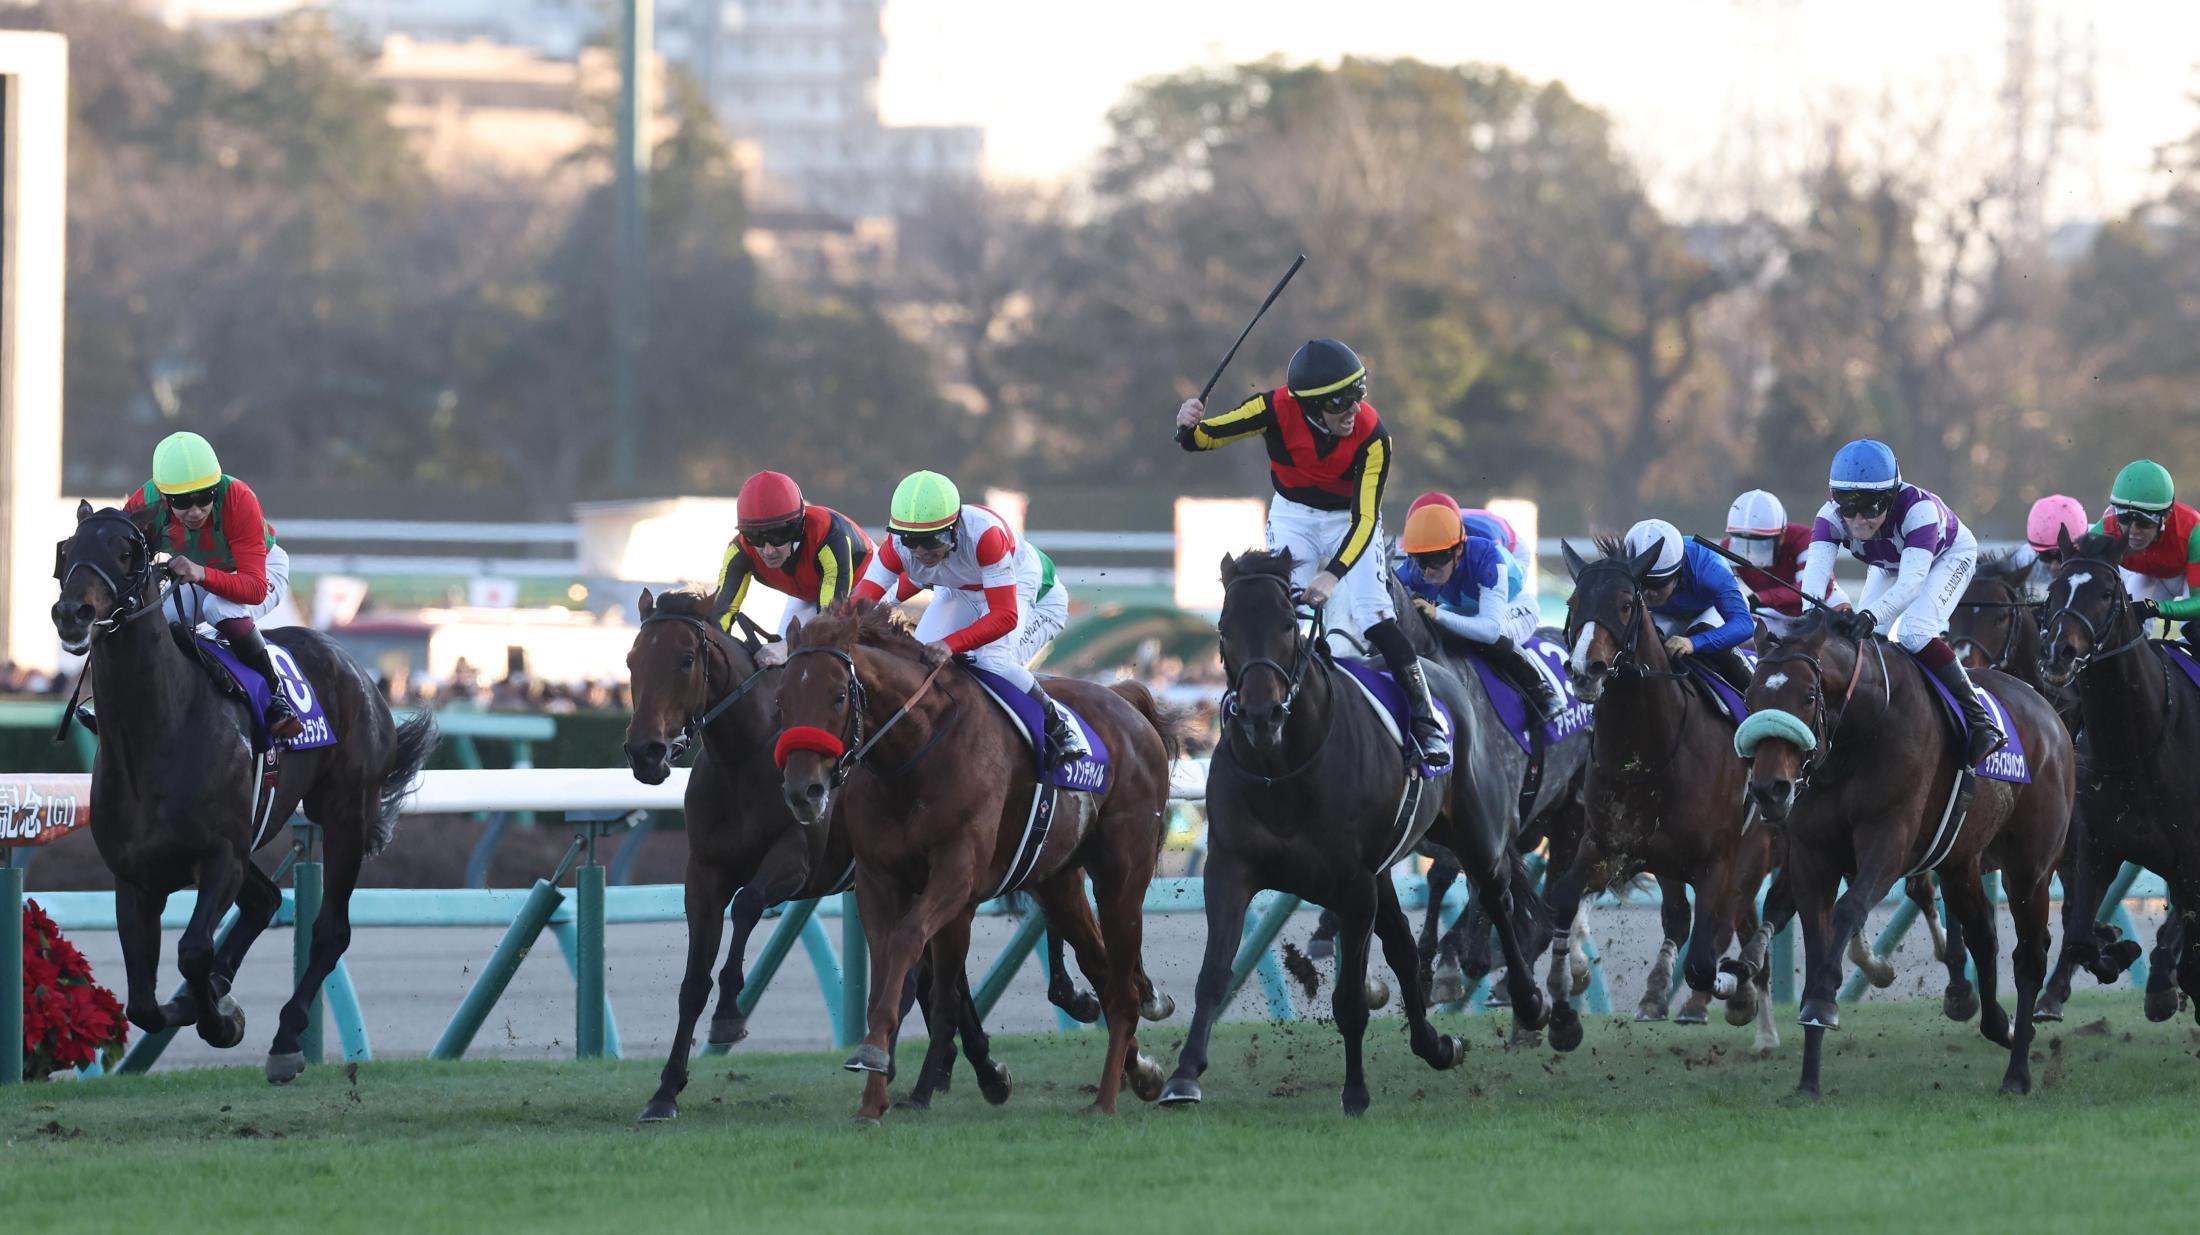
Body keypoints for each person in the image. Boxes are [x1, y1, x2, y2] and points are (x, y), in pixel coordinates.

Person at [1176, 339, 1446, 766]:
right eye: (1340, 403)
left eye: (1357, 396)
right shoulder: (1271, 409)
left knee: (1375, 615)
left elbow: (1363, 520)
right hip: (1293, 516)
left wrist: (1332, 575)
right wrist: (1189, 423)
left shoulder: (1374, 437)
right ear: (1309, 407)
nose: (1353, 410)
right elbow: (1203, 440)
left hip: (1349, 521)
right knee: (1282, 613)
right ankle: (1255, 709)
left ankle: (1427, 723)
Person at [851, 470, 1089, 770]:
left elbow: (1004, 616)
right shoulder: (899, 546)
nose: (922, 552)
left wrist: (951, 644)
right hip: (964, 592)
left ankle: (1057, 726)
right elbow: (860, 605)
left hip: (1031, 595)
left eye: (931, 540)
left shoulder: (984, 535)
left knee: (991, 662)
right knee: (918, 662)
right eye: (912, 541)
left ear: (954, 527)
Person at [1797, 438, 2003, 767]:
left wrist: (1868, 614)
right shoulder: (1829, 517)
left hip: (1945, 558)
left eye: (1870, 507)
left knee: (1915, 633)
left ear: (1890, 498)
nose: (1859, 520)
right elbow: (1815, 577)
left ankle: (1981, 722)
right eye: (1848, 507)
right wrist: (1808, 618)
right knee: (1861, 639)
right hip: (1890, 564)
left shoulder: (1918, 511)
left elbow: (1912, 584)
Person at [107, 431, 302, 739]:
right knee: (153, 617)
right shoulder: (146, 503)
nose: (195, 511)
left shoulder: (239, 498)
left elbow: (253, 589)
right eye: (183, 502)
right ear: (164, 495)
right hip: (200, 572)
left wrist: (201, 573)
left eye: (205, 497)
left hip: (259, 570)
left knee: (217, 608)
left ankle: (277, 699)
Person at [1395, 505, 1564, 720]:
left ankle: (1540, 691)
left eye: (1437, 560)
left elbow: (1490, 630)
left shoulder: (1487, 558)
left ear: (1458, 550)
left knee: (1484, 637)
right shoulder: (1413, 571)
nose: (1428, 571)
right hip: (1466, 610)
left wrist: (1438, 614)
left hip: (1512, 609)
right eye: (1420, 560)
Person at [707, 470, 874, 664]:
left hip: (863, 580)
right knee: (779, 659)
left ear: (798, 527)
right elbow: (720, 615)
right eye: (754, 536)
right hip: (810, 590)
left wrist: (787, 646)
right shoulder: (739, 551)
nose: (767, 551)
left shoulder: (829, 537)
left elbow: (831, 620)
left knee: (815, 651)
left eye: (778, 535)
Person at [1619, 518, 1756, 693]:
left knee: (1700, 629)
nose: (1648, 593)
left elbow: (1744, 624)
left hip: (1710, 611)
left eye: (1658, 584)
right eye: (1641, 584)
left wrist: (1694, 643)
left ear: (1678, 573)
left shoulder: (1709, 569)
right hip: (1664, 616)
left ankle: (1754, 700)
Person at [2088, 459, 2200, 631]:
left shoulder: (2193, 531)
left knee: (2195, 629)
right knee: (2124, 626)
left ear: (2167, 515)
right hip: (2149, 576)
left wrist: (2159, 608)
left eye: (2144, 521)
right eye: (2124, 517)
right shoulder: (2106, 529)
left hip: (2187, 578)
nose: (2133, 530)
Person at [1720, 489, 1848, 617]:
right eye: (1742, 544)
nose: (1751, 554)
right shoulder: (1729, 547)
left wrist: (1760, 598)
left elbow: (1809, 590)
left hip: (1825, 602)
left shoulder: (1805, 539)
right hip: (1775, 610)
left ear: (1781, 536)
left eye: (1761, 545)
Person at [1975, 494, 2088, 602]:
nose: (2054, 566)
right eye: (2045, 557)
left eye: (2061, 556)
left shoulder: (2098, 547)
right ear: (2035, 550)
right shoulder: (2023, 559)